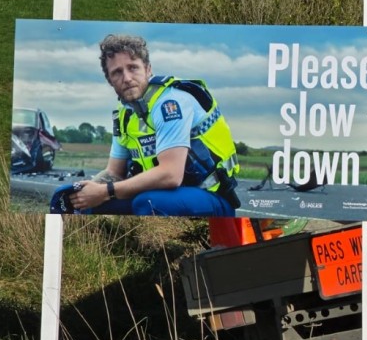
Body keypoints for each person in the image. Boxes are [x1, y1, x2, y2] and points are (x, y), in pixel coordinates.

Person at [50, 34, 241, 216]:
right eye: (117, 72)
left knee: (147, 203)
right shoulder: (124, 114)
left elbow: (170, 175)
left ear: (148, 69)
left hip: (212, 196)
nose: (126, 78)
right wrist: (89, 190)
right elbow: (114, 172)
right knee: (80, 200)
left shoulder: (170, 103)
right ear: (110, 81)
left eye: (133, 68)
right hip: (169, 194)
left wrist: (105, 191)